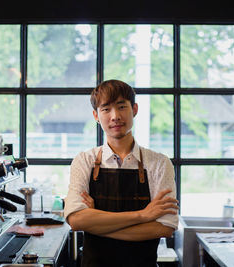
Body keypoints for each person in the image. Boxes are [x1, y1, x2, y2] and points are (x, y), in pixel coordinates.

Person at [64, 79, 179, 267]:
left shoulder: (159, 163)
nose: (115, 116)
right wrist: (143, 216)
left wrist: (95, 223)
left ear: (134, 109)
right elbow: (76, 220)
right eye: (106, 109)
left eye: (121, 106)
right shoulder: (84, 161)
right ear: (96, 115)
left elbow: (165, 227)